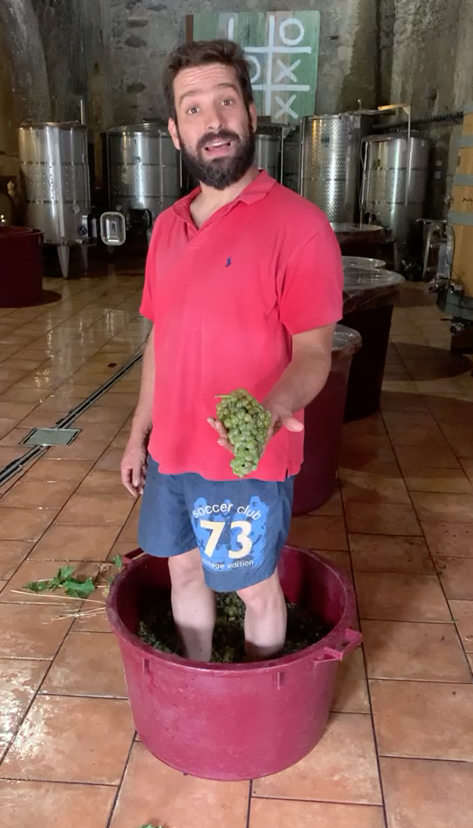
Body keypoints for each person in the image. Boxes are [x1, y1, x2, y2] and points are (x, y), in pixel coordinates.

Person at [120, 39, 343, 663]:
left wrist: (272, 410)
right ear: (175, 131)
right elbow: (161, 337)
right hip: (172, 453)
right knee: (183, 570)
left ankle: (260, 692)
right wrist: (139, 434)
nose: (212, 121)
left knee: (254, 588)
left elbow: (314, 353)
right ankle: (199, 680)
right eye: (193, 108)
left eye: (225, 101)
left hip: (247, 461)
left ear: (250, 113)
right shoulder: (168, 227)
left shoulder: (299, 226)